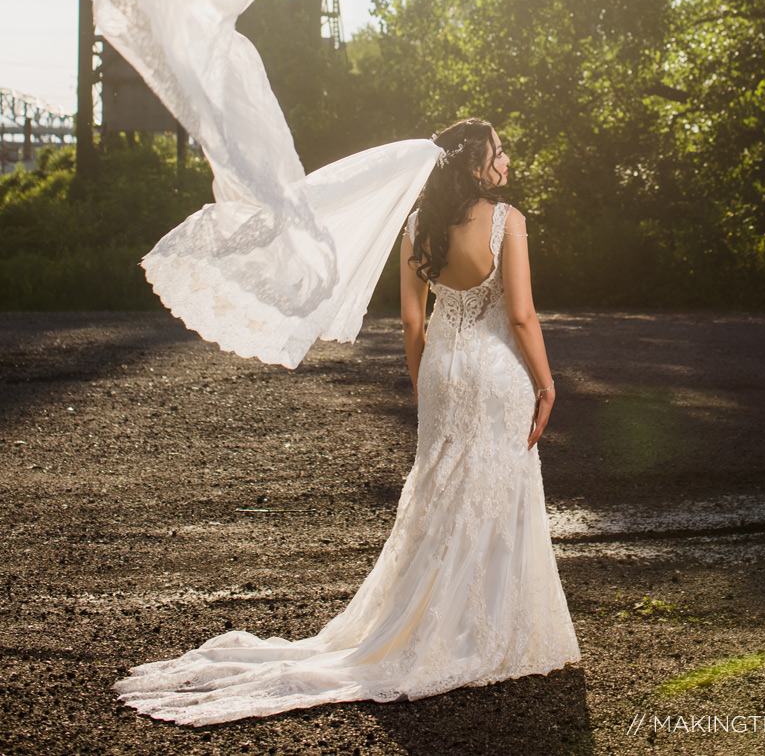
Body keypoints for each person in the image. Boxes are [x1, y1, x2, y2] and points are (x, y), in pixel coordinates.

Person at [112, 117, 580, 726]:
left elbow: (414, 324)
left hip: (442, 366)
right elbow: (521, 317)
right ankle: (483, 626)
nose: (507, 160)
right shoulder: (507, 221)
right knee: (494, 487)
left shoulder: (419, 226)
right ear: (474, 165)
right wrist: (545, 384)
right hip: (496, 372)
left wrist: (424, 381)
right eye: (498, 153)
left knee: (442, 489)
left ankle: (426, 620)